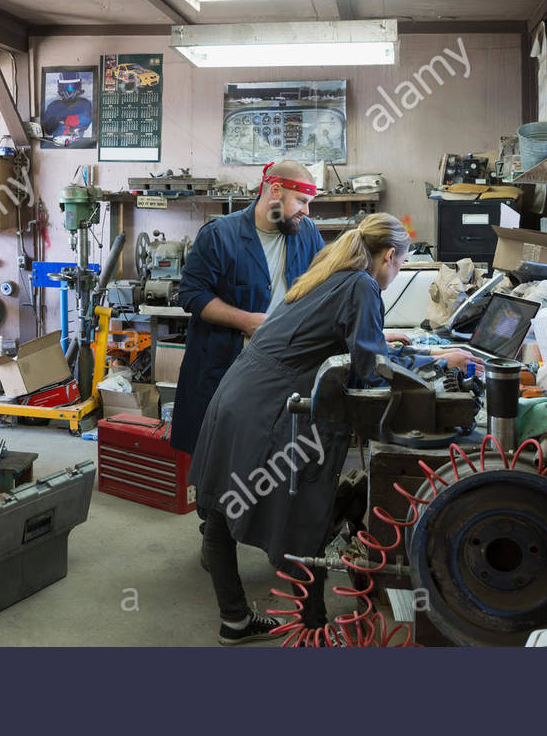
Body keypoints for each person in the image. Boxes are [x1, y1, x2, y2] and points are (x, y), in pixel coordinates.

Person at [188, 213, 483, 644]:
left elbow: (338, 341)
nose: (395, 274)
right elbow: (369, 373)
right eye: (399, 265)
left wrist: (383, 342)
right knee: (302, 518)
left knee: (220, 507)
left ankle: (235, 620)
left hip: (237, 397)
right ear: (388, 256)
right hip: (274, 408)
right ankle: (315, 632)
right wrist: (438, 361)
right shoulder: (363, 285)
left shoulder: (328, 273)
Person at [170, 160, 325, 457]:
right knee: (219, 455)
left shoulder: (306, 234)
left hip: (282, 369)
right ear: (276, 191)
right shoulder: (220, 234)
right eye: (302, 201)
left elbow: (323, 285)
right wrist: (246, 321)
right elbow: (191, 294)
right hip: (225, 367)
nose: (307, 211)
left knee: (268, 454)